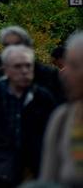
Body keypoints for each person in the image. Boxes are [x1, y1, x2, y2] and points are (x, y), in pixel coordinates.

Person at [0, 44, 57, 187]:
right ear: (6, 70)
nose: (24, 71)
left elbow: (53, 136)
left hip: (34, 174)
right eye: (18, 66)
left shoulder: (43, 98)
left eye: (28, 66)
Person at [40, 32, 83, 185]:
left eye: (75, 66)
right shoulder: (61, 118)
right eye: (67, 65)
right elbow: (48, 179)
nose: (66, 74)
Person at [0, 26, 64, 102]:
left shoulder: (49, 75)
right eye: (7, 46)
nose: (12, 49)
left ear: (28, 46)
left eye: (17, 44)